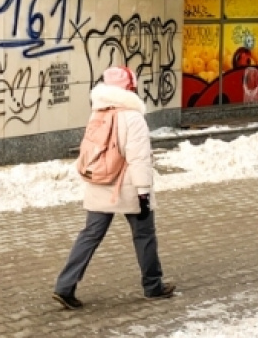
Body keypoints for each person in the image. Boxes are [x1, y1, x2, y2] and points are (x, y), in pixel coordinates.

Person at [52, 66, 175, 309]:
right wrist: (143, 192)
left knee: (90, 234)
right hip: (128, 184)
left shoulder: (97, 112)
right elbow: (139, 158)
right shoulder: (133, 117)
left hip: (100, 181)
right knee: (144, 235)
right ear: (130, 87)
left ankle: (65, 287)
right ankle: (153, 286)